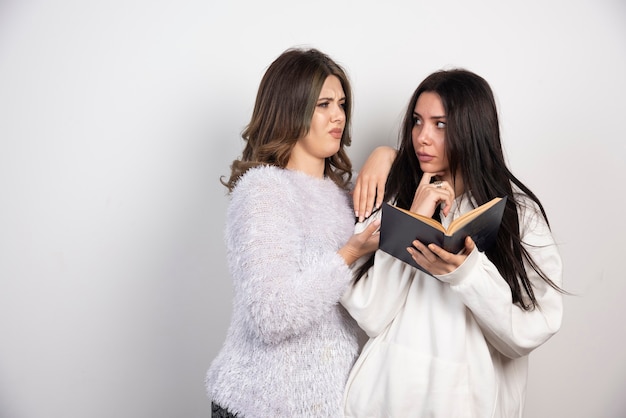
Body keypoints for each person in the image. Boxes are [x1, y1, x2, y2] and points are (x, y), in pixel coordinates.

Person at [341, 69, 564, 417]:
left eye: (439, 125)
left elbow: (532, 330)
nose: (422, 138)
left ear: (472, 130)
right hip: (386, 402)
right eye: (417, 121)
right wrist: (410, 220)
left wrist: (468, 276)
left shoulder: (519, 216)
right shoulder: (394, 196)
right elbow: (370, 313)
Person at [205, 47, 380, 418]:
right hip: (258, 405)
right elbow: (272, 315)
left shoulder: (344, 201)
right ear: (291, 109)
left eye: (342, 104)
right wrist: (349, 254)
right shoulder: (264, 189)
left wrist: (385, 154)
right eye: (323, 104)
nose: (338, 116)